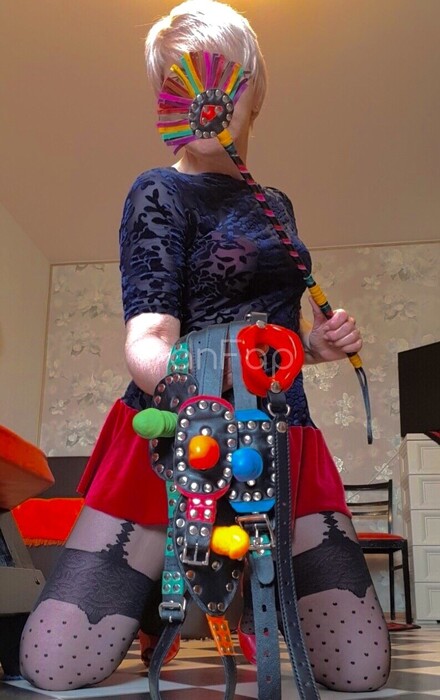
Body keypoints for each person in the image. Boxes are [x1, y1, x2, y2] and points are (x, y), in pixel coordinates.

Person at [20, 0, 391, 693]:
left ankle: (230, 593)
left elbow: (273, 337)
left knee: (359, 670)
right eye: (179, 81)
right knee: (56, 664)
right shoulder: (158, 192)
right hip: (175, 435)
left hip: (281, 435)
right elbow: (148, 338)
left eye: (223, 76)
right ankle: (161, 601)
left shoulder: (276, 205)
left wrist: (312, 346)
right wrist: (202, 388)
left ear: (255, 93)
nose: (204, 97)